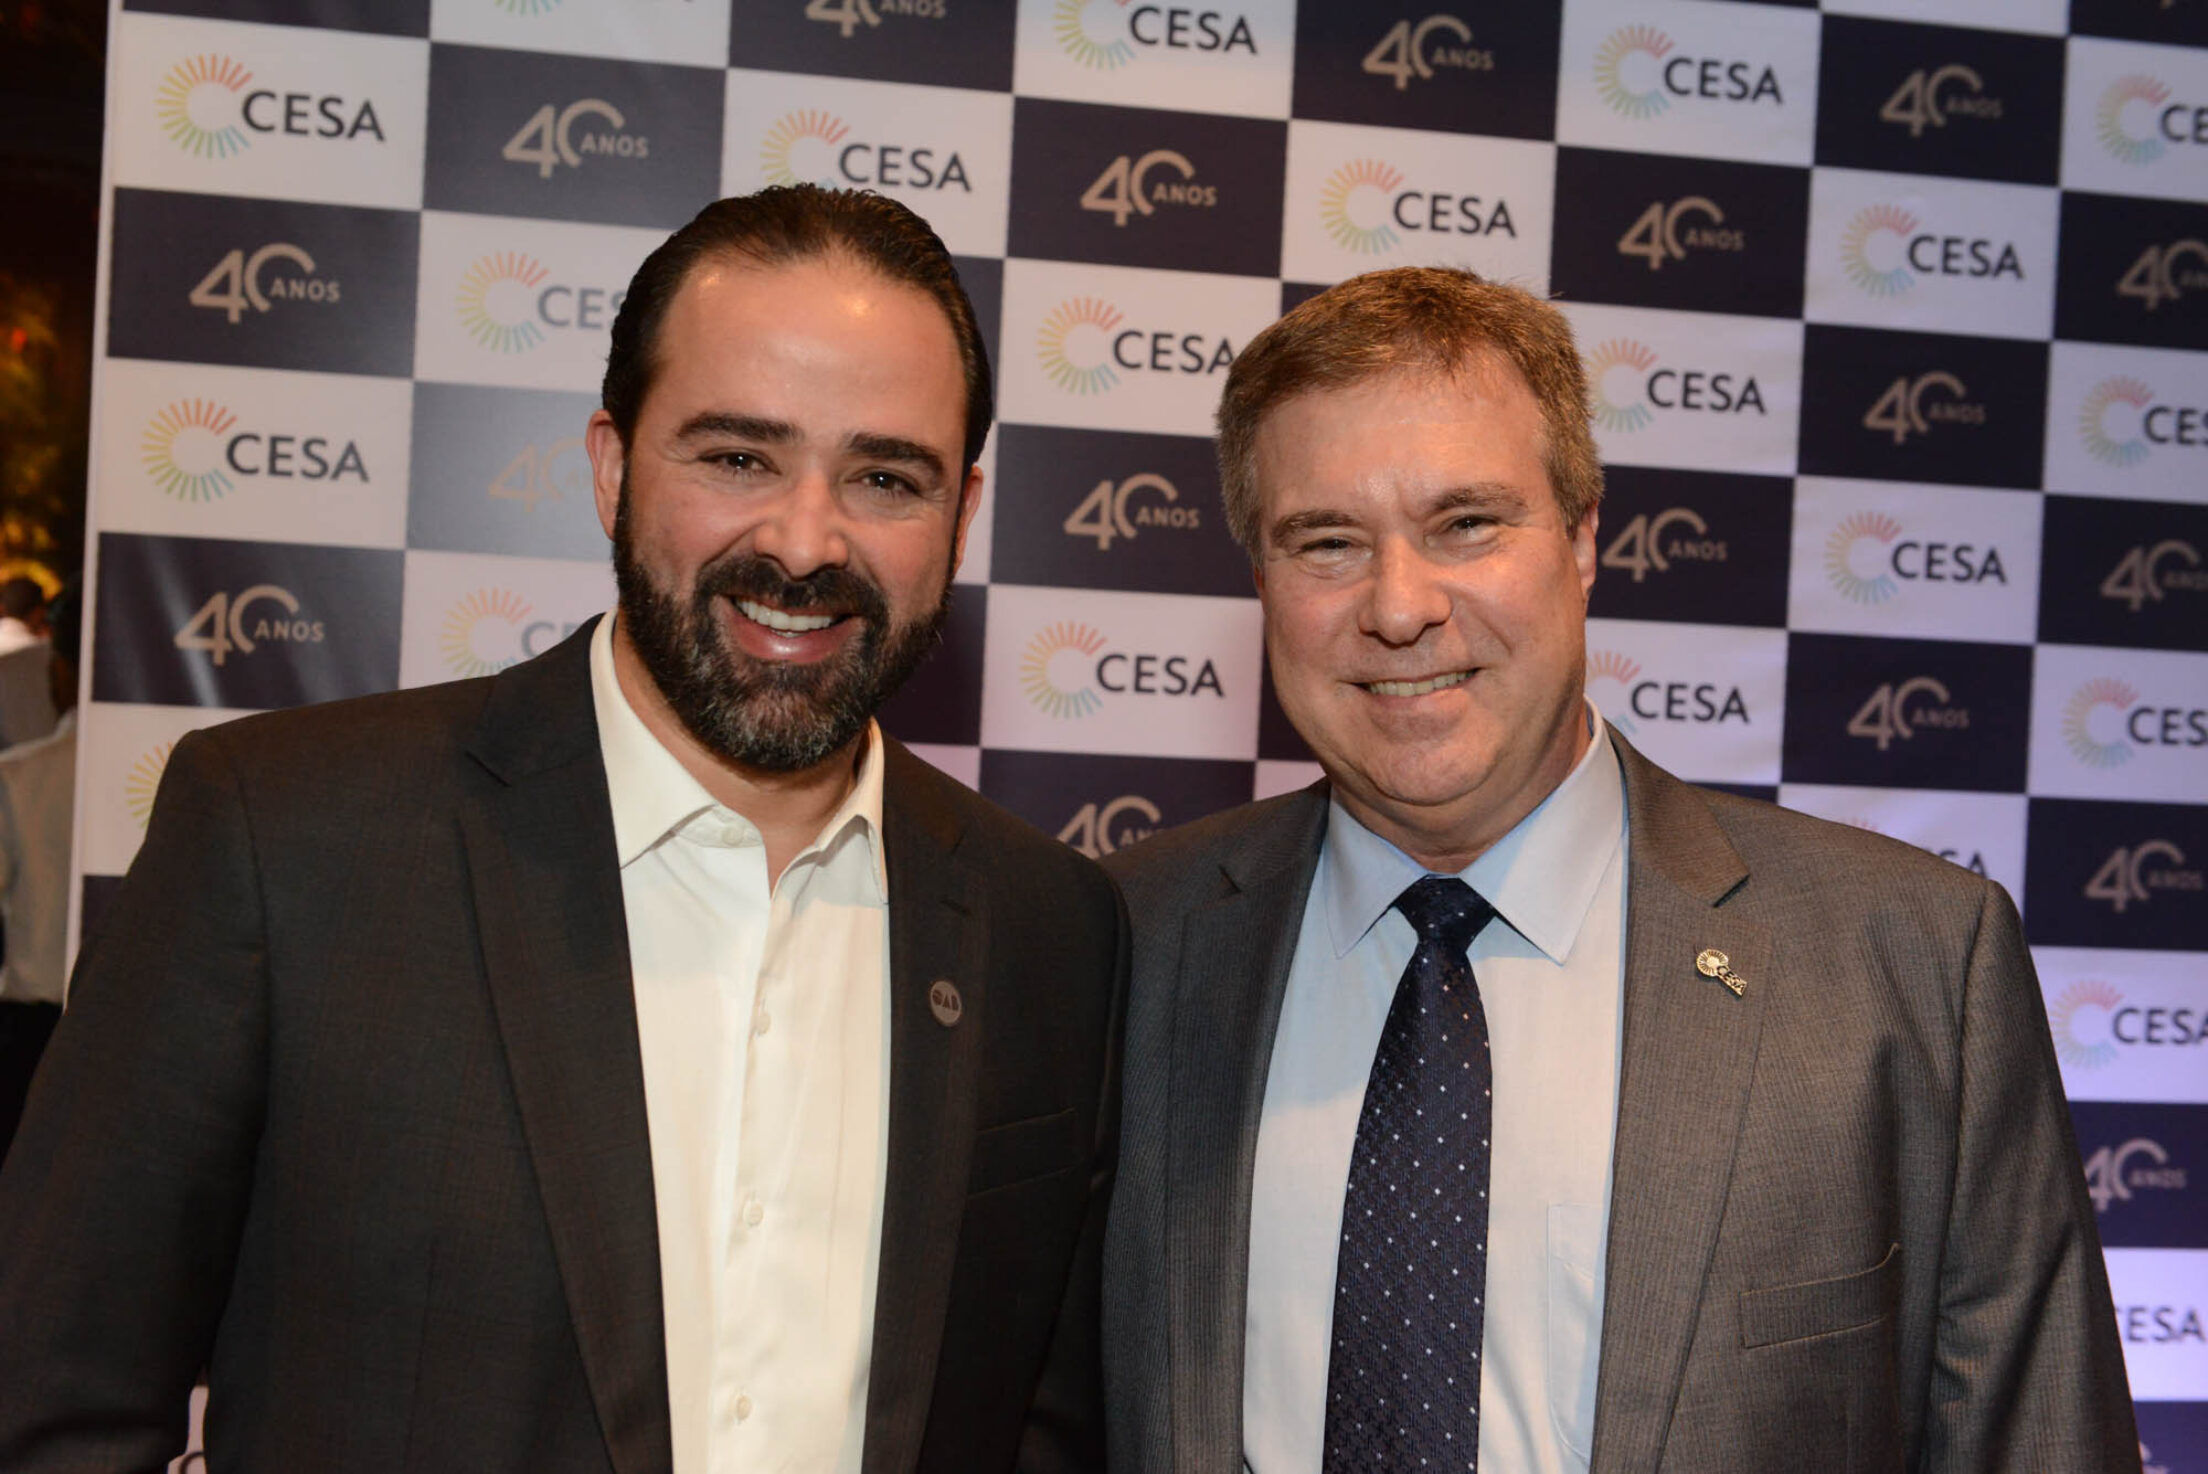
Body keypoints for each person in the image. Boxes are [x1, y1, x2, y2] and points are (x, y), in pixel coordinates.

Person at [0, 186, 1126, 1474]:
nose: (805, 541)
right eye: (737, 457)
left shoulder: (1051, 929)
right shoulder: (283, 838)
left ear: (961, 517)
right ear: (611, 467)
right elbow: (51, 1405)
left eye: (884, 477)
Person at [1099, 267, 2135, 1474]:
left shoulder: (1909, 964)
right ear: (1260, 580)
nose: (1398, 606)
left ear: (1584, 539)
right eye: (1326, 541)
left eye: (1466, 524)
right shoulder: (1124, 942)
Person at [0, 582, 76, 1157]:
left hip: (33, 1030)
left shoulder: (19, 778)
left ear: (61, 670)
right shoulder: (185, 773)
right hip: (146, 1024)